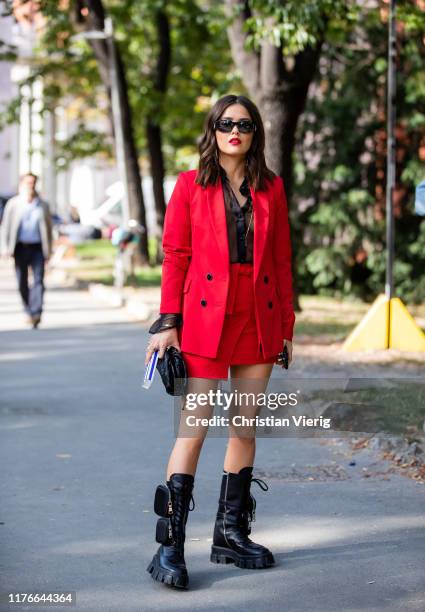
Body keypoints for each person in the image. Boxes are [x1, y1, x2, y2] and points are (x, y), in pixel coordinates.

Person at [144, 94, 296, 589]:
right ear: (213, 130)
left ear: (255, 134)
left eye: (245, 125)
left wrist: (286, 326)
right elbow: (174, 255)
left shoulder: (271, 188)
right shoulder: (190, 186)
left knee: (244, 427)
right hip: (205, 320)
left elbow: (282, 262)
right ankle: (169, 547)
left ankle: (230, 533)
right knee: (193, 430)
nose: (235, 131)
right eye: (226, 123)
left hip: (258, 315)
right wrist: (167, 322)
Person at [0, 173, 53, 328]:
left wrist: (49, 250)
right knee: (21, 280)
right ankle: (28, 309)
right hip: (20, 247)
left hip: (37, 247)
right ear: (21, 185)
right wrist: (5, 248)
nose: (31, 186)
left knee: (38, 280)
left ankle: (36, 311)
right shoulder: (14, 204)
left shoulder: (42, 205)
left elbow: (49, 229)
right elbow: (6, 228)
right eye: (28, 183)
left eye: (33, 183)